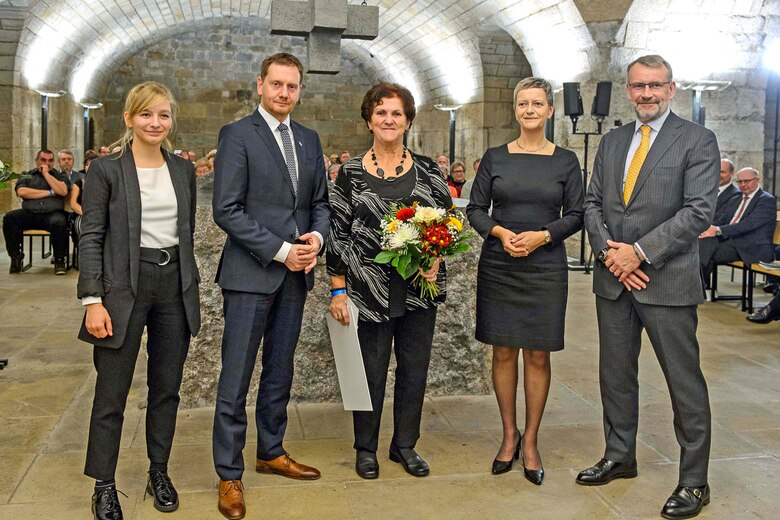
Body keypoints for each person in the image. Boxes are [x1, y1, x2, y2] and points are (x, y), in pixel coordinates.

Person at [579, 55, 719, 520]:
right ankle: (620, 456)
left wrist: (636, 253)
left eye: (655, 86)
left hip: (668, 281)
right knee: (615, 376)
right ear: (628, 89)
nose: (646, 94)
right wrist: (610, 255)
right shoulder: (614, 140)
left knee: (684, 383)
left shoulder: (697, 140)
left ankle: (694, 481)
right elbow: (592, 202)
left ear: (672, 88)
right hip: (614, 282)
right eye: (638, 86)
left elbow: (698, 212)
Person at [211, 52, 330, 520]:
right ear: (260, 85)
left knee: (280, 369)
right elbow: (227, 209)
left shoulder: (307, 138)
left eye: (293, 86)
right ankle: (228, 473)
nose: (284, 93)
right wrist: (282, 249)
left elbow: (318, 201)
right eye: (277, 84)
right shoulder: (238, 135)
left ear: (300, 90)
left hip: (296, 276)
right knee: (236, 377)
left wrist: (315, 239)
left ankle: (271, 450)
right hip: (250, 275)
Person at [77, 81, 201, 520]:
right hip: (122, 291)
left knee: (166, 390)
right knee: (111, 393)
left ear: (171, 121)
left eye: (163, 115)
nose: (155, 123)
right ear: (129, 118)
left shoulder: (183, 171)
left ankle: (159, 472)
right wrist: (93, 299)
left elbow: (185, 233)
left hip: (173, 288)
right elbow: (91, 235)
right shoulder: (107, 170)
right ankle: (105, 485)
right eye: (146, 114)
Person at [328, 81, 452, 481]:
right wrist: (337, 289)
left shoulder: (430, 169)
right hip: (368, 290)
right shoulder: (348, 173)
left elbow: (449, 225)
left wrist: (436, 258)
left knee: (415, 368)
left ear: (408, 120)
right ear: (369, 119)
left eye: (397, 113)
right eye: (381, 112)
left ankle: (404, 445)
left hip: (419, 289)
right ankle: (366, 448)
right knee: (369, 371)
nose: (389, 119)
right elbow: (338, 235)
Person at [466, 77, 583, 486]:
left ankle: (530, 441)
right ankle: (508, 434)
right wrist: (501, 233)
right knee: (502, 352)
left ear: (550, 110)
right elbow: (476, 209)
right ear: (515, 110)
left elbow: (578, 213)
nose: (530, 109)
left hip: (545, 265)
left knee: (537, 355)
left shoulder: (566, 160)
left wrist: (544, 235)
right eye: (523, 103)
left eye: (537, 103)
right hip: (501, 263)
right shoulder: (496, 157)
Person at [698, 167, 776, 284]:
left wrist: (718, 230)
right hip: (731, 240)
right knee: (699, 243)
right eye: (739, 181)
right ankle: (699, 287)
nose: (743, 184)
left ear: (757, 180)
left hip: (751, 246)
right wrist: (706, 229)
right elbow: (721, 219)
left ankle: (698, 288)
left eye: (747, 181)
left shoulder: (766, 200)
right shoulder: (736, 198)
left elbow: (749, 224)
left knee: (705, 252)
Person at [3, 149, 70, 274]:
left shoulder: (60, 176)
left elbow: (63, 191)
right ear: (36, 160)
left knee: (60, 221)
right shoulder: (27, 175)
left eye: (50, 160)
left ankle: (59, 259)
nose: (47, 163)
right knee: (9, 218)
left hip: (52, 214)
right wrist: (50, 192)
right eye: (43, 160)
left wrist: (46, 174)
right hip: (30, 214)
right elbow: (22, 192)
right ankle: (16, 256)